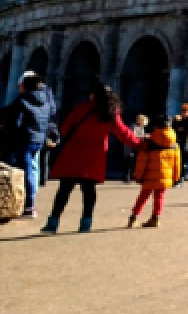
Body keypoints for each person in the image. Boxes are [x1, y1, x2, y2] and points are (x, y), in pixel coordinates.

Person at [41, 83, 141, 234]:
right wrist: (141, 144)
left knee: (64, 190)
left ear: (93, 95)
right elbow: (123, 132)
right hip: (94, 157)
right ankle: (85, 224)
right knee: (89, 191)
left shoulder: (80, 108)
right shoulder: (110, 112)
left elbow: (64, 129)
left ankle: (52, 223)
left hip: (73, 154)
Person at [2, 71, 56, 219]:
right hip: (38, 140)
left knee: (25, 172)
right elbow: (49, 119)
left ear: (25, 86)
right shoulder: (46, 100)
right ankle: (30, 202)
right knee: (33, 169)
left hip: (24, 140)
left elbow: (14, 119)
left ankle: (28, 206)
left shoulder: (23, 100)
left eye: (20, 85)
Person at [128, 115, 181, 229]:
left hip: (149, 176)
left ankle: (133, 218)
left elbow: (142, 161)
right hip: (165, 176)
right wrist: (176, 178)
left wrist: (138, 176)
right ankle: (155, 218)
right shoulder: (174, 143)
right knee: (160, 197)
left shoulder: (150, 142)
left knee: (143, 197)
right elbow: (177, 163)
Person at [171, 103, 188, 184]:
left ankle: (180, 179)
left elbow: (186, 131)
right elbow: (174, 129)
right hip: (177, 143)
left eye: (185, 111)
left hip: (185, 144)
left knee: (183, 162)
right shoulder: (178, 120)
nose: (183, 113)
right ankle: (175, 179)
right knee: (176, 162)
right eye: (182, 111)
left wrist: (179, 127)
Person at [123, 115, 148, 184]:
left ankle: (134, 176)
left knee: (134, 163)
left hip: (136, 147)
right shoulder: (133, 126)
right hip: (131, 148)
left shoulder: (141, 127)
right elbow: (133, 136)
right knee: (129, 163)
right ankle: (127, 178)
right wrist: (144, 136)